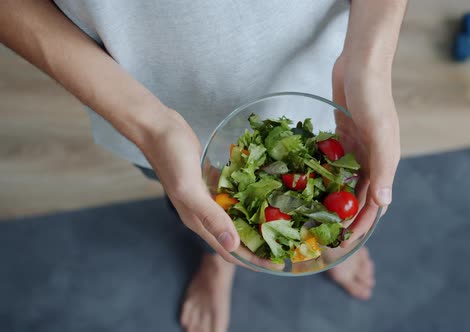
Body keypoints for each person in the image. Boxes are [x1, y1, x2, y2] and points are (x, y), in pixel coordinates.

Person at [0, 1, 405, 331]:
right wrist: (151, 126)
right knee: (204, 213)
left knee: (350, 197)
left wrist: (368, 63)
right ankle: (217, 260)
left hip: (327, 76)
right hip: (138, 97)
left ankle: (324, 242)